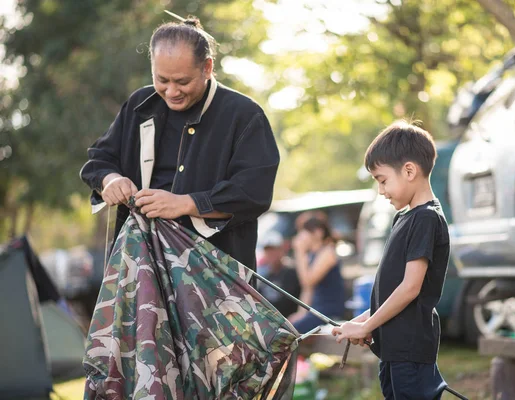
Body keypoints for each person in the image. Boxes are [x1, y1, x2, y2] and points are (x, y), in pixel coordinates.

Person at [79, 17, 279, 273]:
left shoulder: (244, 115)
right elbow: (98, 160)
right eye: (162, 80)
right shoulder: (139, 104)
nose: (172, 91)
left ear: (207, 67)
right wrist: (110, 180)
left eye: (182, 82)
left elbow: (254, 193)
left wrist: (186, 203)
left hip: (215, 276)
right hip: (140, 268)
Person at [332, 121, 450, 400]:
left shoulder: (426, 218)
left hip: (410, 348)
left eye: (383, 180)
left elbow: (410, 288)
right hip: (394, 348)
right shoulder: (405, 218)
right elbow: (390, 288)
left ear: (409, 170)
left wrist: (367, 326)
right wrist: (361, 322)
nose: (381, 191)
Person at [289, 217, 345, 333]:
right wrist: (301, 313)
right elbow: (307, 289)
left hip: (328, 309)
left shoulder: (328, 252)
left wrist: (300, 252)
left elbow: (308, 281)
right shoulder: (312, 255)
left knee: (293, 331)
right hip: (316, 309)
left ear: (318, 233)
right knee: (290, 325)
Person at [256, 230, 301, 318]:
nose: (271, 254)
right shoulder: (265, 276)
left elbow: (289, 303)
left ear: (281, 250)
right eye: (268, 250)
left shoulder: (291, 272)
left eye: (274, 250)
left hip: (289, 321)